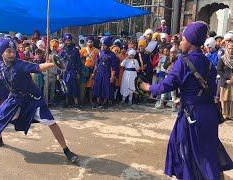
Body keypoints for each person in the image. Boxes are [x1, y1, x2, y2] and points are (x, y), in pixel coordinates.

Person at [139, 21, 233, 179]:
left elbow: (166, 85)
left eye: (183, 39)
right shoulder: (209, 63)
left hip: (192, 116)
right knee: (207, 152)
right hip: (209, 115)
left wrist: (147, 87)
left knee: (183, 148)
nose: (181, 42)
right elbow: (208, 91)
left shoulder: (183, 62)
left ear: (190, 42)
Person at [0, 38, 79, 163]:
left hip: (32, 99)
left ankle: (67, 151)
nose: (12, 54)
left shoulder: (20, 64)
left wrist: (53, 64)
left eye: (13, 51)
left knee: (51, 122)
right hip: (15, 98)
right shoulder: (0, 67)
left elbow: (38, 67)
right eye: (8, 51)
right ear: (2, 52)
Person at [92, 36, 118, 109]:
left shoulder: (112, 55)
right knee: (97, 87)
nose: (102, 46)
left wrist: (112, 77)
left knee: (105, 88)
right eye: (102, 45)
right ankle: (98, 102)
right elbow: (96, 64)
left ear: (108, 46)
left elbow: (113, 67)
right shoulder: (99, 53)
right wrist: (94, 73)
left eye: (104, 45)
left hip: (106, 74)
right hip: (99, 73)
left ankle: (104, 103)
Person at [60, 33, 82, 108]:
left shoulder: (75, 50)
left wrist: (78, 72)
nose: (67, 42)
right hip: (65, 72)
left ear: (71, 40)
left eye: (69, 40)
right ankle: (66, 102)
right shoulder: (62, 51)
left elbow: (78, 62)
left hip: (73, 72)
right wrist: (58, 73)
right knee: (65, 87)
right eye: (66, 40)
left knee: (74, 87)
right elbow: (59, 63)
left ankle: (76, 103)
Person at [79, 36, 99, 105]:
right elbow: (79, 59)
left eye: (91, 42)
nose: (90, 43)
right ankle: (82, 101)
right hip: (84, 71)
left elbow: (98, 61)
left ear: (93, 42)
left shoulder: (96, 51)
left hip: (92, 70)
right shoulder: (82, 50)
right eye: (88, 42)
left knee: (91, 87)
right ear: (86, 42)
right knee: (83, 86)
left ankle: (91, 101)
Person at [217, 41, 233, 120]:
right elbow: (219, 70)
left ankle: (231, 114)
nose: (231, 50)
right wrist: (227, 78)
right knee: (225, 99)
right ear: (227, 48)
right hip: (225, 82)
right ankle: (225, 114)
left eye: (232, 48)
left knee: (232, 99)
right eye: (230, 48)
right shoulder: (222, 59)